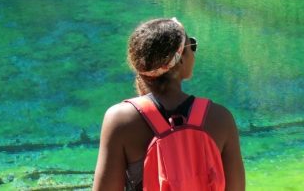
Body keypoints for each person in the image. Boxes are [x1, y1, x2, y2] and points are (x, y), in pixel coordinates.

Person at [93, 17, 245, 191]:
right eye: (192, 46)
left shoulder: (120, 120)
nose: (194, 52)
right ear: (180, 59)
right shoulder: (220, 118)